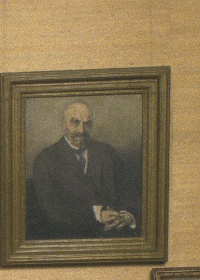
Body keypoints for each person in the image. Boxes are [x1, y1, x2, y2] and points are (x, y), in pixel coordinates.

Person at [27, 101, 137, 240]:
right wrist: (97, 215)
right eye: (75, 122)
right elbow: (50, 211)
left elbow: (130, 191)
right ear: (63, 125)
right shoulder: (45, 160)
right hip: (70, 239)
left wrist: (127, 215)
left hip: (114, 236)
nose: (81, 130)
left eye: (87, 123)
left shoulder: (107, 152)